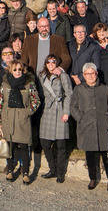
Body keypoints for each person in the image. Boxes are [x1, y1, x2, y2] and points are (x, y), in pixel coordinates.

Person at [70, 62, 108, 192]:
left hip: (104, 127)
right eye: (87, 74)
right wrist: (81, 118)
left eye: (93, 73)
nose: (90, 76)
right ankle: (92, 178)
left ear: (96, 74)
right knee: (90, 156)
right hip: (87, 128)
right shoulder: (79, 89)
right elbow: (73, 107)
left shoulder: (104, 88)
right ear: (84, 75)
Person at [0, 60, 40, 184]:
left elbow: (36, 101)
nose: (17, 72)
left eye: (19, 69)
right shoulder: (5, 85)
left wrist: (27, 112)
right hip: (8, 119)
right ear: (10, 70)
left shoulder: (29, 84)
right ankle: (10, 170)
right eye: (15, 70)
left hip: (23, 120)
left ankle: (25, 173)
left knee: (24, 147)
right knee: (10, 147)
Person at [39, 54, 72, 183]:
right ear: (46, 64)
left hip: (60, 110)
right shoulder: (41, 76)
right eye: (48, 62)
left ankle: (60, 172)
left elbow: (69, 94)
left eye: (54, 61)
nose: (51, 64)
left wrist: (66, 112)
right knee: (45, 143)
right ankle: (52, 169)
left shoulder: (63, 75)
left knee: (61, 145)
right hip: (48, 111)